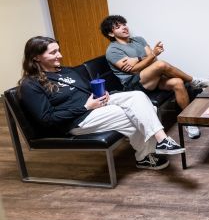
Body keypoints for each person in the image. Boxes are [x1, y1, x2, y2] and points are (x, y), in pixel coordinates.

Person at [18, 36, 184, 170]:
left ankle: (162, 141)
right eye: (53, 53)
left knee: (139, 97)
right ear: (36, 57)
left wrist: (101, 94)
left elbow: (85, 90)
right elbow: (47, 118)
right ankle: (145, 157)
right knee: (136, 114)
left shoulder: (66, 70)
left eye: (58, 51)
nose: (59, 55)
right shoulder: (30, 84)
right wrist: (86, 106)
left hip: (96, 104)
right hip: (78, 119)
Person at [100, 15, 209, 139]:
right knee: (161, 64)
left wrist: (137, 59)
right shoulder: (112, 50)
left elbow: (153, 59)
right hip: (133, 85)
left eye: (124, 24)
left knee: (177, 82)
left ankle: (188, 122)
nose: (124, 27)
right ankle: (194, 81)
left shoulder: (139, 40)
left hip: (151, 79)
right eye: (118, 27)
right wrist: (148, 57)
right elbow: (133, 70)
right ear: (111, 34)